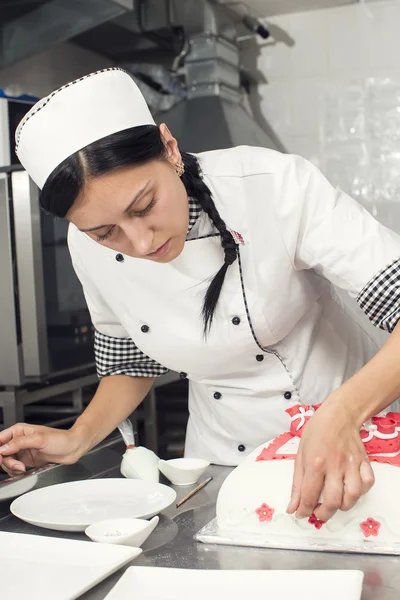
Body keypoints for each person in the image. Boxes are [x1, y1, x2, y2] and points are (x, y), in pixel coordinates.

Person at [1, 67, 400, 524]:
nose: (142, 243)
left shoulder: (272, 184)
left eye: (145, 206)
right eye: (107, 232)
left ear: (169, 148)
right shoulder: (85, 247)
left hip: (350, 443)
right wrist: (77, 438)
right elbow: (131, 362)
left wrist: (343, 414)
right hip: (217, 463)